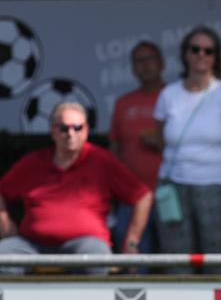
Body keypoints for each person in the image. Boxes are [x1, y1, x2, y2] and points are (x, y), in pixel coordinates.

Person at [0, 102, 151, 275]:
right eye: (64, 128)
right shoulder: (33, 162)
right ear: (53, 131)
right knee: (3, 255)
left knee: (96, 257)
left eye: (77, 128)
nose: (70, 134)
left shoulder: (102, 160)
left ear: (86, 130)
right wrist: (4, 220)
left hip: (86, 244)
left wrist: (131, 241)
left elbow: (142, 196)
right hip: (32, 244)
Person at [152, 26, 221, 273]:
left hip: (217, 184)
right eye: (195, 49)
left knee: (219, 259)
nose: (201, 55)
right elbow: (162, 137)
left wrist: (209, 162)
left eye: (208, 51)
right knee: (176, 259)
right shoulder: (168, 94)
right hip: (173, 185)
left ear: (216, 57)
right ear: (185, 54)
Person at [108, 40, 165, 255]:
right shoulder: (123, 102)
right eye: (138, 61)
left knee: (174, 253)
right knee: (132, 254)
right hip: (131, 195)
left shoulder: (174, 97)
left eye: (149, 59)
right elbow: (114, 148)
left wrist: (161, 142)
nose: (145, 65)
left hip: (169, 192)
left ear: (162, 64)